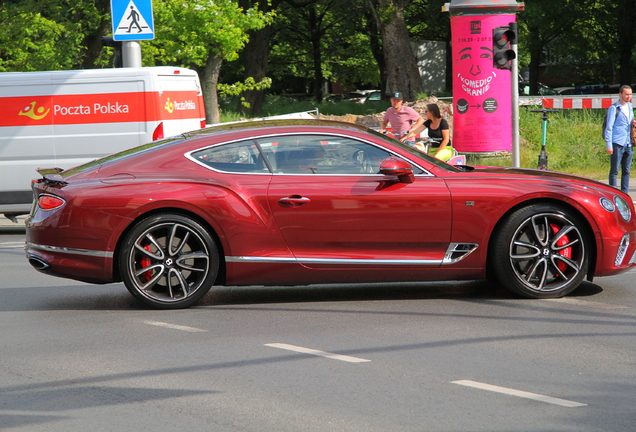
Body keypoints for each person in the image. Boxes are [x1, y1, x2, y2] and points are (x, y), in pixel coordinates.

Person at [604, 85, 635, 193]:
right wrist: (609, 145)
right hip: (617, 142)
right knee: (615, 170)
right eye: (626, 94)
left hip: (628, 143)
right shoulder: (614, 108)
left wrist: (633, 123)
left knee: (626, 171)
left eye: (630, 94)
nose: (629, 96)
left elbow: (629, 122)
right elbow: (609, 127)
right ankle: (613, 193)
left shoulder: (630, 107)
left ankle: (624, 193)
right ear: (620, 94)